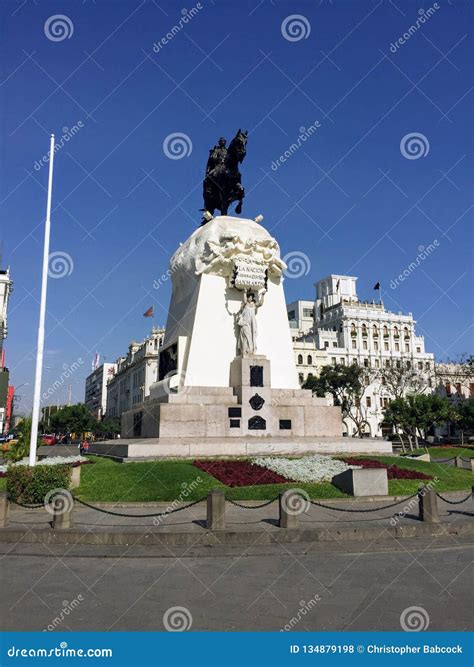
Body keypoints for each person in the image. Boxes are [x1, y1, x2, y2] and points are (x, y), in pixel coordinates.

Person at [236, 289, 265, 354]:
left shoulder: (253, 305)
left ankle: (250, 350)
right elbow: (245, 301)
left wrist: (262, 295)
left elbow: (260, 303)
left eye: (252, 297)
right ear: (247, 297)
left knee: (252, 336)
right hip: (245, 323)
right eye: (250, 297)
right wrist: (245, 293)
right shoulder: (245, 305)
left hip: (252, 323)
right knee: (246, 336)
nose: (251, 298)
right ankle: (244, 351)